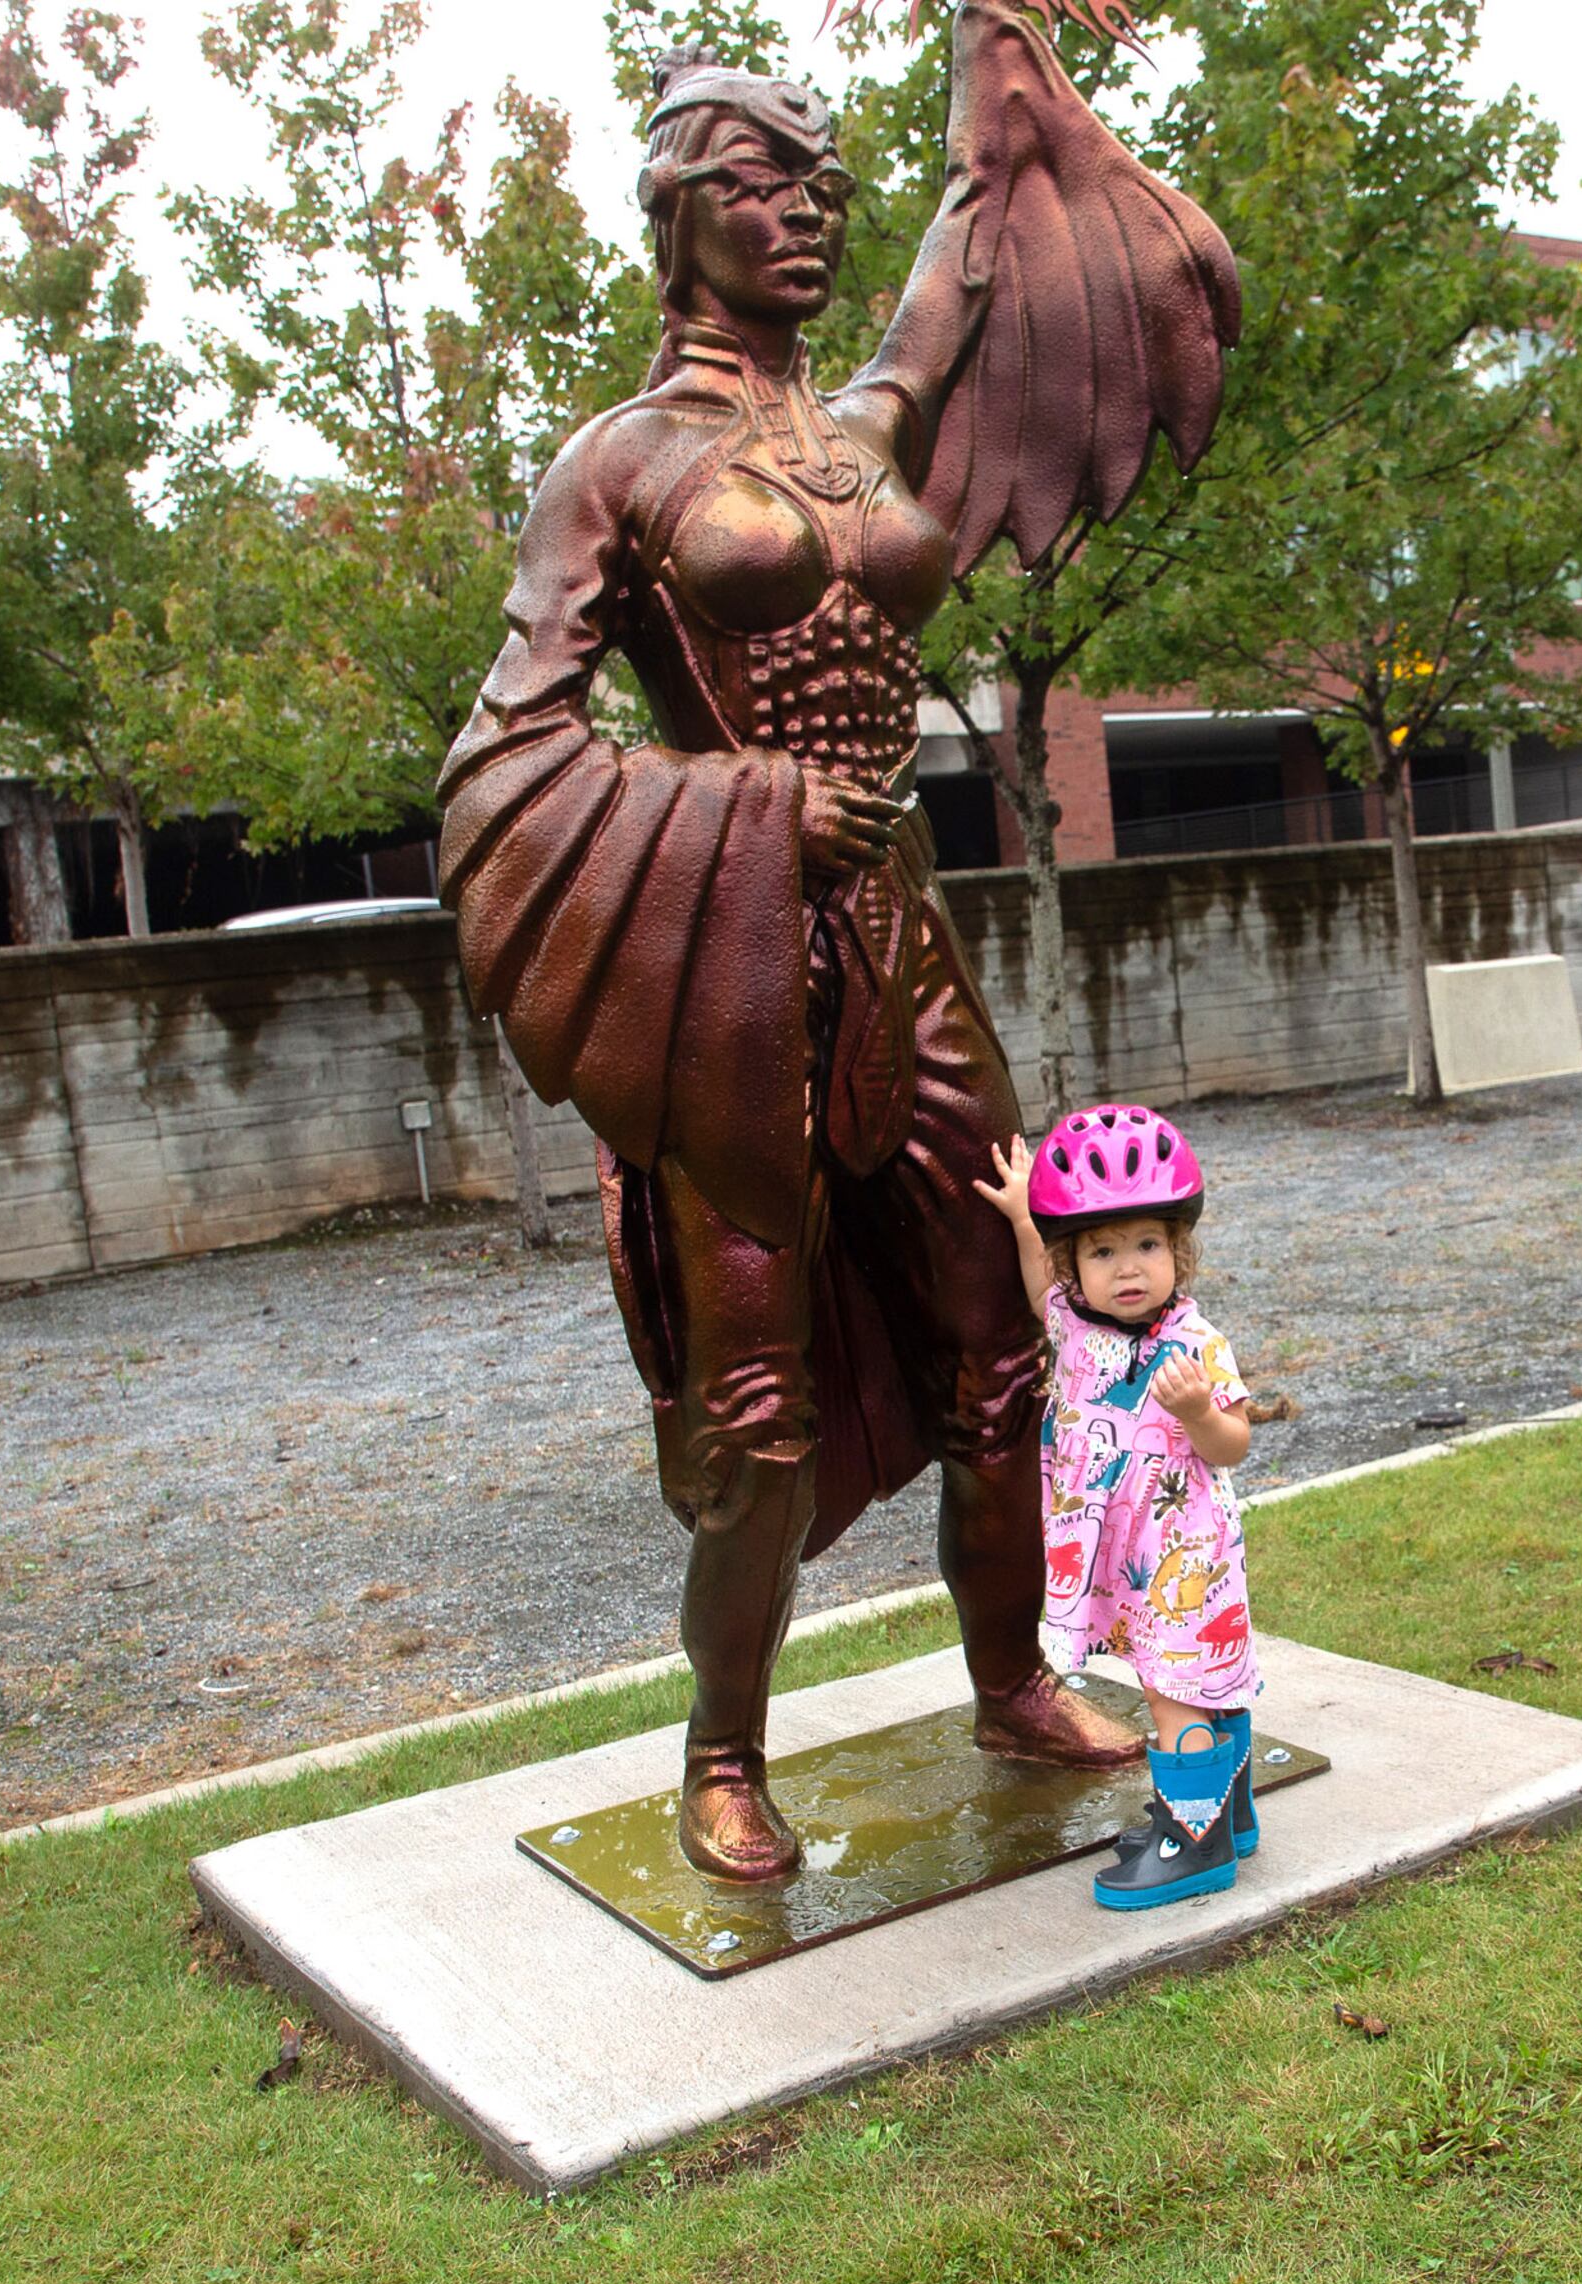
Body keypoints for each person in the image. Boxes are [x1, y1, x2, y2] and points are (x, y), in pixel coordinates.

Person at [430, 11, 1241, 1883]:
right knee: (758, 1399)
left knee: (1001, 1333)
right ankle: (723, 1754)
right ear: (675, 219)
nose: (800, 214)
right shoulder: (616, 468)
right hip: (731, 978)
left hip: (907, 949)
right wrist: (745, 804)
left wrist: (1002, 45)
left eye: (817, 186)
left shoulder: (868, 425)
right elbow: (507, 747)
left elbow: (979, 229)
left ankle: (1011, 1680)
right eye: (755, 186)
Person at [971, 1107, 1266, 1911]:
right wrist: (1023, 1211)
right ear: (1076, 1263)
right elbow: (1040, 1285)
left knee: (1178, 1687)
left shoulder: (1195, 1343)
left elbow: (1233, 1443)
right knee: (1179, 1679)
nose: (1128, 1267)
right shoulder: (1070, 1320)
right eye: (1103, 1251)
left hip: (1183, 1557)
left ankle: (1194, 1842)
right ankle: (1226, 1811)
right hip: (1118, 1557)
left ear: (1178, 1250)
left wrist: (1202, 1413)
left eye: (1147, 1245)